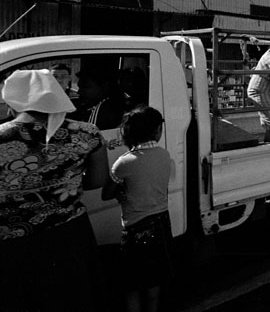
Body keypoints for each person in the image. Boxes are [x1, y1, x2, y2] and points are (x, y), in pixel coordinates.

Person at [0, 69, 109, 311]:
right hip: (70, 236)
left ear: (12, 100)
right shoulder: (87, 133)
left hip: (13, 242)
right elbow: (97, 181)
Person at [102, 106, 173, 312]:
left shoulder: (124, 163)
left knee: (131, 284)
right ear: (158, 131)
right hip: (161, 223)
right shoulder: (164, 155)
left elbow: (106, 193)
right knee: (154, 281)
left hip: (135, 229)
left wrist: (121, 192)